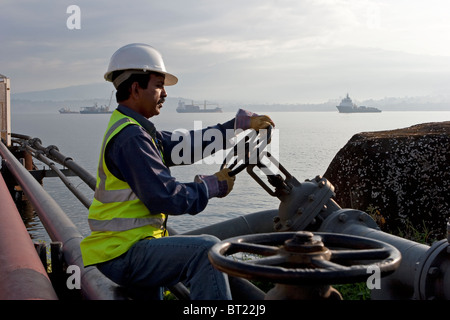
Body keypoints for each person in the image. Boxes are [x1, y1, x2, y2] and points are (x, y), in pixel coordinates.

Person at [80, 43, 274, 300]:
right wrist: (209, 186)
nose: (165, 93)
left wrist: (236, 125)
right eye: (158, 85)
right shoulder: (132, 138)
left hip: (124, 248)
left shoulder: (137, 130)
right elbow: (165, 197)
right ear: (136, 88)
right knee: (207, 251)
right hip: (123, 253)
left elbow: (186, 145)